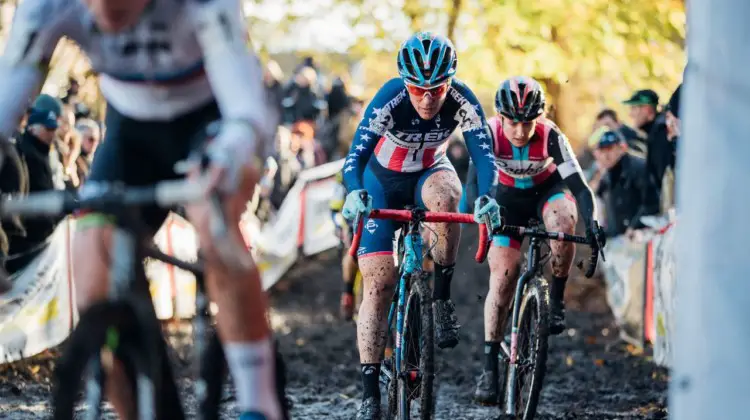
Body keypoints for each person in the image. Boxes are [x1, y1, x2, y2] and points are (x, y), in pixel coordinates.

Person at [0, 1, 285, 419]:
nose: (106, 10)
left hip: (211, 119)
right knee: (93, 269)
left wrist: (231, 153)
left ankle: (259, 402)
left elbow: (247, 109)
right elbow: (8, 102)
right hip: (130, 130)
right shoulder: (46, 5)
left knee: (216, 225)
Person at [340, 31, 500, 420]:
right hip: (383, 181)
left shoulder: (463, 99)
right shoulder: (389, 98)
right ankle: (369, 391)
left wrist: (488, 196)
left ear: (450, 81)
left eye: (437, 88)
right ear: (404, 82)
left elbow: (485, 157)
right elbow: (354, 158)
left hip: (431, 172)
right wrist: (354, 190)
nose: (427, 98)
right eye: (417, 88)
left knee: (449, 199)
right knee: (378, 283)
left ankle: (441, 297)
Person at [460, 76, 605, 404]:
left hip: (547, 194)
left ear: (539, 117)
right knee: (503, 277)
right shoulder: (488, 133)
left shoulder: (552, 135)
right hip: (506, 201)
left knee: (564, 222)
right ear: (501, 116)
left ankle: (555, 298)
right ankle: (489, 367)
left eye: (528, 123)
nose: (521, 131)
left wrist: (592, 223)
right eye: (513, 122)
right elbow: (472, 184)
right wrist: (480, 209)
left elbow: (580, 188)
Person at [592, 130, 659, 238]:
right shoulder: (607, 176)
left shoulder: (639, 167)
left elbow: (652, 203)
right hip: (618, 241)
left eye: (609, 149)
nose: (606, 155)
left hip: (643, 236)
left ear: (622, 148)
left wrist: (634, 226)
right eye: (602, 150)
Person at [622, 89, 670, 212]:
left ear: (647, 109)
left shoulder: (660, 133)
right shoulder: (655, 132)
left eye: (634, 108)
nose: (631, 114)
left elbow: (665, 177)